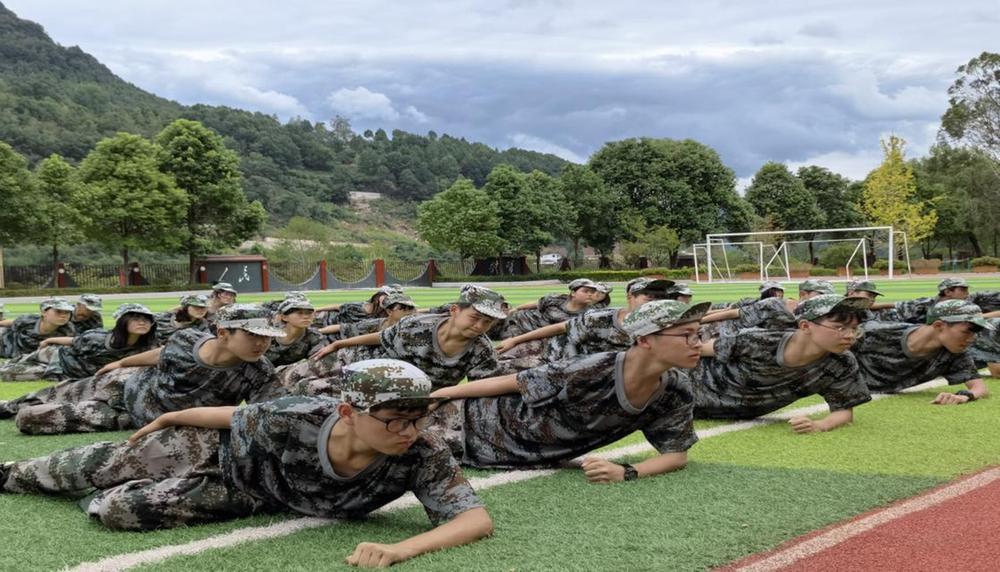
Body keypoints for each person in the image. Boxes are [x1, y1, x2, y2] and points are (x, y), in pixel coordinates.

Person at [0, 359, 492, 568]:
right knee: (95, 465)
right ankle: (11, 473)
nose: (410, 431)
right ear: (348, 412)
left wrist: (402, 549)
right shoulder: (293, 416)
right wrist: (170, 416)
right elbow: (234, 416)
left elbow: (475, 518)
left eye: (419, 419)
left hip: (253, 492)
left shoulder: (421, 453)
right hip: (221, 454)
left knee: (118, 514)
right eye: (395, 420)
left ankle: (102, 496)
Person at [427, 300, 705, 482]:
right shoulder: (594, 367)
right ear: (645, 340)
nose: (698, 343)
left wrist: (627, 471)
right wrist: (444, 394)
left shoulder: (675, 391)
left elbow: (676, 454)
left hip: (511, 456)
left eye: (698, 334)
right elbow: (514, 381)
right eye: (686, 335)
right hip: (466, 423)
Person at [0, 304, 285, 435]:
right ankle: (7, 405)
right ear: (224, 333)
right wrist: (121, 363)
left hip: (138, 418)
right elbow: (162, 353)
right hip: (128, 385)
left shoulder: (260, 372)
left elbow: (264, 415)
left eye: (268, 336)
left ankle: (18, 411)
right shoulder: (187, 338)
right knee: (58, 391)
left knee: (30, 420)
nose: (263, 344)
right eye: (252, 335)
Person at [694, 295, 874, 433]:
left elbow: (844, 412)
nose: (850, 335)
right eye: (840, 327)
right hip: (690, 395)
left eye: (854, 328)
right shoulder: (757, 340)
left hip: (733, 413)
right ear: (805, 326)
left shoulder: (841, 362)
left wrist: (820, 425)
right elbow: (697, 351)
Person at [308, 286, 504, 394]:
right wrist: (338, 344)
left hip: (408, 394)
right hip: (367, 364)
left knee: (318, 390)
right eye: (474, 318)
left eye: (487, 322)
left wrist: (441, 397)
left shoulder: (483, 350)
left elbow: (481, 388)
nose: (479, 326)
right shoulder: (417, 324)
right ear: (454, 310)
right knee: (304, 380)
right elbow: (383, 337)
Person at [495, 278, 673, 369]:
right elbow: (559, 328)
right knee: (495, 366)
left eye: (660, 297)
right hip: (550, 353)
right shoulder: (600, 317)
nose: (654, 302)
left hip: (575, 372)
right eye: (648, 297)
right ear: (630, 297)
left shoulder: (669, 328)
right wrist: (515, 340)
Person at [853, 299, 993, 405]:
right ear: (939, 325)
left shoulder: (955, 353)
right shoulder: (876, 333)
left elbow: (980, 388)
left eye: (976, 332)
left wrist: (964, 396)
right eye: (967, 331)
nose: (971, 338)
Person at [278, 293, 420, 393]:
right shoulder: (375, 324)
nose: (410, 312)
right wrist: (319, 332)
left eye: (411, 309)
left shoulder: (418, 327)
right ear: (389, 311)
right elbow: (344, 327)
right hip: (356, 361)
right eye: (404, 309)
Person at [0, 303, 158, 382]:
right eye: (136, 319)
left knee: (15, 373)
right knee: (7, 371)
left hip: (73, 373)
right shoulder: (97, 338)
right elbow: (73, 341)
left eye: (146, 320)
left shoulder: (150, 347)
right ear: (123, 322)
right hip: (57, 358)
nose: (142, 323)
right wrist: (49, 340)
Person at [499, 278, 598, 339]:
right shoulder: (557, 299)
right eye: (586, 291)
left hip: (522, 333)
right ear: (573, 293)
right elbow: (535, 304)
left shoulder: (589, 315)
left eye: (593, 292)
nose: (590, 294)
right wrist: (514, 310)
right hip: (513, 319)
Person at [0, 297, 76, 360]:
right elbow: (13, 322)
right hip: (6, 343)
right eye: (58, 311)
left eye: (67, 312)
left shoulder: (68, 330)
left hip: (24, 356)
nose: (63, 315)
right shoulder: (29, 320)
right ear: (44, 312)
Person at [264, 297, 325, 367]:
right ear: (284, 317)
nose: (306, 317)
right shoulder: (269, 333)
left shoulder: (315, 336)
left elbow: (316, 362)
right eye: (300, 313)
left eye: (309, 313)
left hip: (292, 374)